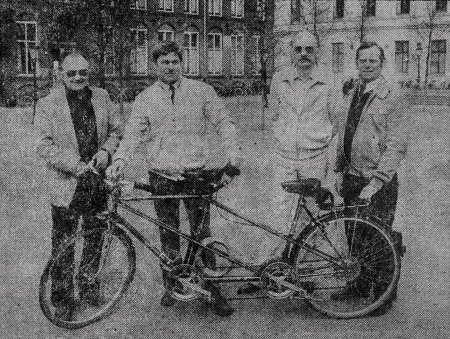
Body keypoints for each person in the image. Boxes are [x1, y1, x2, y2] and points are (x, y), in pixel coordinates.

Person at [106, 41, 239, 317]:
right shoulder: (145, 99)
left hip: (195, 176)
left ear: (182, 63)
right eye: (164, 62)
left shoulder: (202, 92)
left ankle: (213, 291)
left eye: (174, 61)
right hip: (162, 177)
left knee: (201, 234)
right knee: (168, 234)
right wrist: (119, 160)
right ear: (155, 66)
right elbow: (132, 135)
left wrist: (233, 153)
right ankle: (174, 285)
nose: (170, 67)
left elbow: (224, 122)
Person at [239, 30, 338, 294]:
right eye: (299, 49)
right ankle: (263, 269)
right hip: (284, 158)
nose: (304, 54)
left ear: (317, 51)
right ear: (291, 52)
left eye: (309, 49)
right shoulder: (280, 79)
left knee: (311, 219)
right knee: (277, 214)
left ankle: (303, 274)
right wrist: (280, 139)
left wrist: (330, 167)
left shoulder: (330, 80)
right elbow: (274, 114)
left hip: (314, 157)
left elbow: (337, 124)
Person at [34, 52, 122, 320]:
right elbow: (43, 145)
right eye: (71, 73)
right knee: (64, 241)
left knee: (95, 235)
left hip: (97, 181)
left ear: (88, 73)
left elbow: (117, 131)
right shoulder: (47, 104)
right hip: (67, 183)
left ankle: (87, 286)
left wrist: (106, 152)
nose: (77, 78)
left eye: (82, 72)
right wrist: (76, 165)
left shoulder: (102, 97)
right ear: (61, 75)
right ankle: (61, 297)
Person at [332, 41, 408, 314]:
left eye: (373, 61)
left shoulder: (393, 96)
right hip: (352, 177)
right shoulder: (352, 92)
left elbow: (397, 144)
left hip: (377, 181)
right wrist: (340, 170)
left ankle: (383, 296)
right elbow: (344, 134)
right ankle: (361, 285)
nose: (367, 66)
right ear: (357, 63)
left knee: (379, 239)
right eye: (362, 61)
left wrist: (377, 181)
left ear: (381, 64)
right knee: (354, 237)